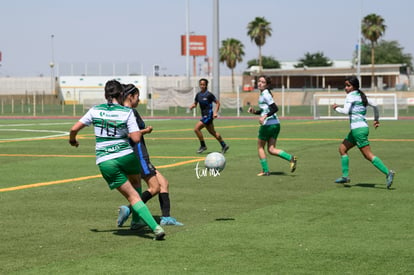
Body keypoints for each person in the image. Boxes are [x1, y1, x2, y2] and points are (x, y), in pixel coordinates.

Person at [68, 79, 165, 240]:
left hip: (106, 160)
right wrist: (143, 131)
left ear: (106, 95)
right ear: (121, 94)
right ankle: (141, 223)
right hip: (126, 156)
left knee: (131, 196)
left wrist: (73, 139)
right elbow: (135, 138)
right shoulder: (126, 113)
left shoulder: (95, 110)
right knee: (136, 187)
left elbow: (73, 129)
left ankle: (151, 226)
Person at [116, 84, 183, 228]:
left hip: (131, 156)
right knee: (154, 188)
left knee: (163, 183)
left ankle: (165, 217)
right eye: (137, 97)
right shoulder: (130, 112)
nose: (139, 100)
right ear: (130, 96)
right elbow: (132, 134)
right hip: (139, 155)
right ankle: (128, 209)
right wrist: (146, 130)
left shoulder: (120, 112)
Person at [332, 76, 395, 188]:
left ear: (354, 86)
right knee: (342, 149)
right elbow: (375, 105)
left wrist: (336, 108)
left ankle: (388, 172)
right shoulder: (361, 96)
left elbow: (345, 111)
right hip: (360, 129)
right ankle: (345, 176)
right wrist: (376, 119)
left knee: (368, 155)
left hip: (358, 130)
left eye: (348, 86)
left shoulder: (350, 96)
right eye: (345, 85)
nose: (346, 88)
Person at [248, 75, 297, 176]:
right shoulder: (264, 94)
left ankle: (265, 170)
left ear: (267, 85)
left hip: (268, 125)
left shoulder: (265, 94)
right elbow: (265, 110)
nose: (260, 83)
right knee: (271, 149)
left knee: (260, 147)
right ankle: (291, 158)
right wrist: (255, 112)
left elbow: (275, 108)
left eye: (263, 82)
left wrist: (264, 117)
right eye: (259, 81)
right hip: (276, 124)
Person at [189, 78, 229, 154]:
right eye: (201, 84)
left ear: (206, 85)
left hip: (208, 116)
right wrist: (192, 106)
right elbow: (195, 103)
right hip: (204, 116)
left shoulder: (209, 95)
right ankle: (224, 145)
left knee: (196, 129)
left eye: (203, 84)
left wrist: (215, 112)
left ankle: (203, 145)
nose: (202, 86)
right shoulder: (198, 95)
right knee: (213, 132)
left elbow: (217, 103)